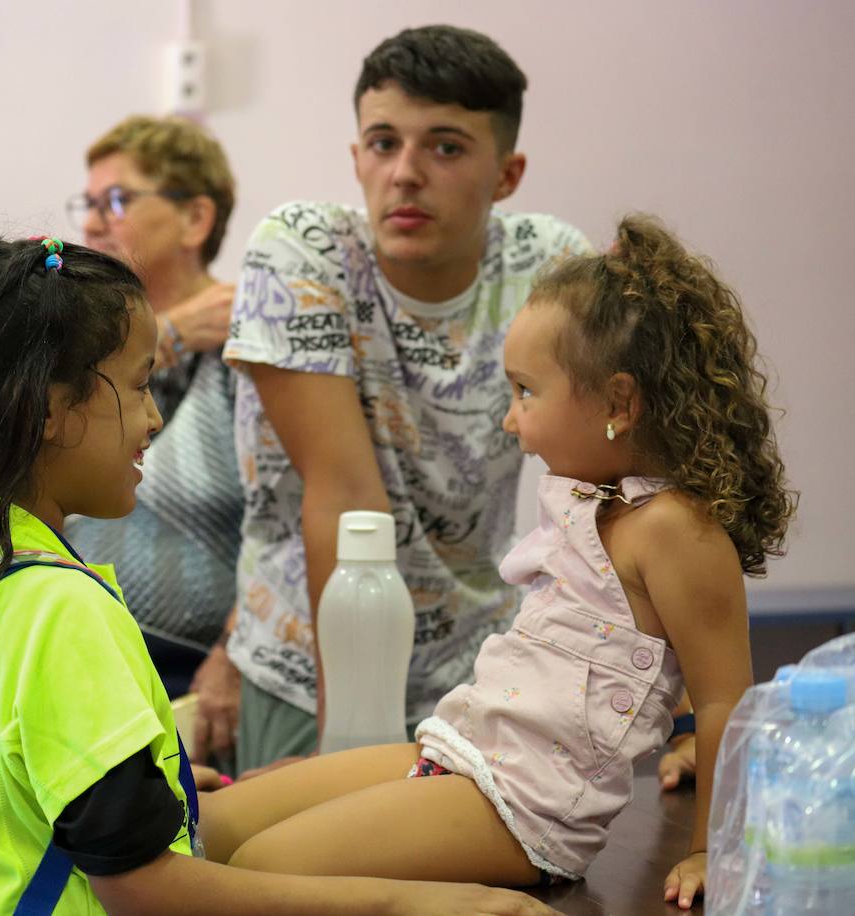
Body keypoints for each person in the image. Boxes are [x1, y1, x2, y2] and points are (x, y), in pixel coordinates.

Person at [0, 223, 561, 916]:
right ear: (50, 410)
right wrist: (408, 903)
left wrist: (152, 778)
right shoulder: (56, 608)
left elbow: (17, 773)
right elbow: (143, 888)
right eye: (138, 385)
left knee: (402, 764)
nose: (155, 417)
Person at [201, 215, 795, 911]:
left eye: (525, 391)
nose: (510, 421)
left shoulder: (675, 530)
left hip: (526, 809)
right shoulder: (590, 501)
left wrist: (710, 850)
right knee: (212, 829)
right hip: (460, 751)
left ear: (619, 403)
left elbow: (727, 698)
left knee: (264, 866)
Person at [224, 25, 592, 774]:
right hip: (314, 672)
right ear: (355, 157)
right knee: (314, 879)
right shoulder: (305, 249)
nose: (405, 173)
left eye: (446, 147)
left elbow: (606, 490)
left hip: (480, 672)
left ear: (507, 174)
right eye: (383, 142)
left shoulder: (549, 266)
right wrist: (348, 748)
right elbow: (345, 499)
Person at [65, 116, 244, 723]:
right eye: (87, 203)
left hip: (202, 675)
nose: (90, 223)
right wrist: (167, 334)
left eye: (115, 201)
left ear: (196, 218)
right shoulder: (76, 353)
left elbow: (290, 524)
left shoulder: (251, 350)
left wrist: (236, 654)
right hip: (82, 649)